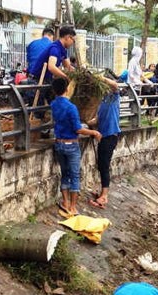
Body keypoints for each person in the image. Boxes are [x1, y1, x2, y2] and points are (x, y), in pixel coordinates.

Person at [50, 77, 101, 217]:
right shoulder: (71, 107)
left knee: (65, 174)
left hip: (59, 144)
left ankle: (65, 202)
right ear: (67, 89)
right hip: (71, 144)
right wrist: (93, 132)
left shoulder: (53, 105)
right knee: (75, 176)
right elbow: (78, 129)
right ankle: (73, 207)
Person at [89, 77, 122, 209]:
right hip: (102, 136)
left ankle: (104, 195)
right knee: (101, 164)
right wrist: (86, 123)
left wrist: (99, 78)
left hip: (110, 135)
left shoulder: (113, 97)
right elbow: (97, 119)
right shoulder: (102, 102)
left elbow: (114, 85)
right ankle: (102, 191)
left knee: (104, 165)